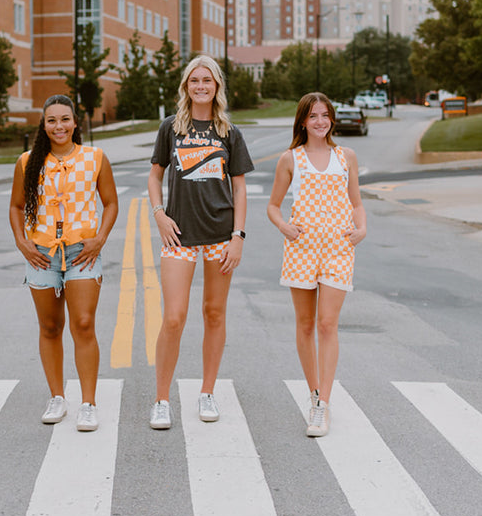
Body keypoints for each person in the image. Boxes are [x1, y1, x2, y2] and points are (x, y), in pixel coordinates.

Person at [147, 55, 254, 430]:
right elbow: (154, 176)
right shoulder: (170, 129)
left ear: (217, 86)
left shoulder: (229, 133)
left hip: (219, 236)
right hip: (179, 236)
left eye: (207, 80)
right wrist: (158, 213)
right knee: (174, 317)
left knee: (214, 313)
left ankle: (207, 391)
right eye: (195, 81)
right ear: (186, 87)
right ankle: (161, 398)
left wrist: (238, 237)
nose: (201, 86)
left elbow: (240, 189)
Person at [10, 95, 119, 431]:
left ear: (76, 123)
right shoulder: (28, 161)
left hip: (81, 252)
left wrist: (99, 239)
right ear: (43, 125)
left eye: (65, 119)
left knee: (83, 323)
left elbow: (111, 203)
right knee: (50, 327)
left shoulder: (95, 158)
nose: (59, 126)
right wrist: (22, 243)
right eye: (52, 120)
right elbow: (16, 207)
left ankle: (88, 403)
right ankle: (57, 396)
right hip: (41, 254)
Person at [266, 93, 367, 437]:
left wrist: (362, 228)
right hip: (301, 250)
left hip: (339, 249)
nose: (320, 121)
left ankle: (323, 403)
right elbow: (274, 206)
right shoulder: (290, 159)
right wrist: (284, 226)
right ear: (303, 122)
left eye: (325, 115)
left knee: (327, 324)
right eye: (314, 116)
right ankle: (313, 393)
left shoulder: (346, 157)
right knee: (306, 324)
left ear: (332, 120)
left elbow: (356, 202)